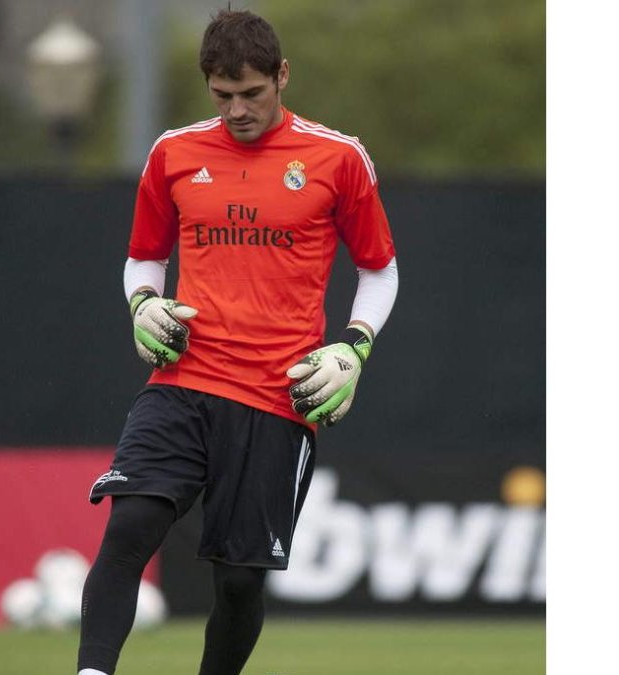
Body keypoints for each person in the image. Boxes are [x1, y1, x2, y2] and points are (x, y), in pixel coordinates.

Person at [77, 9, 398, 675]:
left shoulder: (338, 157)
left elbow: (380, 269)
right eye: (223, 95)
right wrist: (142, 304)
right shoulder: (174, 152)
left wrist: (353, 348)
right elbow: (144, 257)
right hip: (182, 382)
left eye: (252, 93)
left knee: (240, 582)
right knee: (129, 525)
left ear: (282, 76)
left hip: (278, 398)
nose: (238, 109)